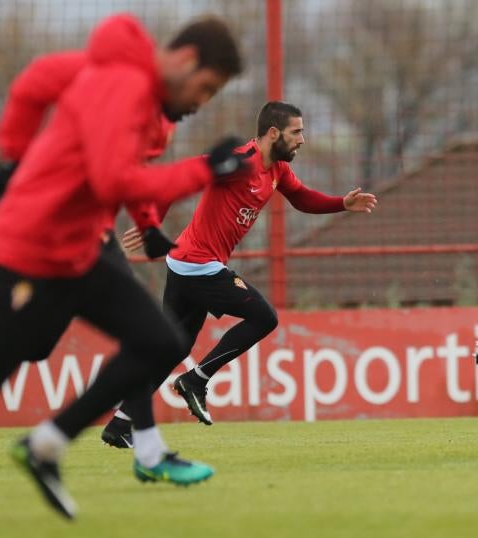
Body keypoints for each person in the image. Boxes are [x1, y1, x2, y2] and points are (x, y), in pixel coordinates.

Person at [0, 13, 248, 536]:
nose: (201, 103)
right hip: (25, 251)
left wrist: (15, 157)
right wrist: (203, 171)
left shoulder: (132, 87)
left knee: (156, 340)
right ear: (186, 60)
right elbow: (111, 179)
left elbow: (36, 83)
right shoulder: (124, 85)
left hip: (74, 252)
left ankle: (48, 444)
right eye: (206, 88)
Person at [0, 49, 178, 392]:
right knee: (150, 336)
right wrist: (150, 221)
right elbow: (124, 173)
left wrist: (148, 221)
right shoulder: (123, 103)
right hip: (85, 238)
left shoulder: (138, 110)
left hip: (81, 238)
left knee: (36, 344)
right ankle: (135, 439)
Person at [108, 101, 378, 434]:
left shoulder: (277, 169)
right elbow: (182, 176)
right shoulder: (240, 163)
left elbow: (302, 198)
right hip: (198, 265)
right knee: (264, 317)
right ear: (274, 133)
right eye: (297, 132)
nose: (302, 140)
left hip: (185, 264)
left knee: (172, 348)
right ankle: (196, 380)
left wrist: (342, 204)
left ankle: (121, 423)